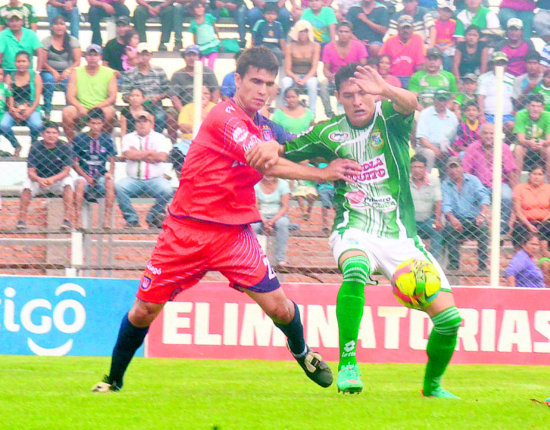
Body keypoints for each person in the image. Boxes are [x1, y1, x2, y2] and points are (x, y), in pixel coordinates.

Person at [91, 46, 361, 393]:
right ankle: (113, 380)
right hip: (186, 230)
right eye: (255, 81)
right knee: (144, 310)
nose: (262, 90)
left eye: (268, 84)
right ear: (237, 80)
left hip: (234, 235)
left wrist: (343, 149)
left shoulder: (267, 127)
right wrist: (322, 175)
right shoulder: (224, 117)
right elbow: (265, 162)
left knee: (279, 308)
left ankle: (302, 351)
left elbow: (301, 145)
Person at [260, 63, 462, 397]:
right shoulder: (328, 132)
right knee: (355, 270)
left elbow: (411, 102)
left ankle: (433, 385)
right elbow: (283, 154)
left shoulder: (391, 121)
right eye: (350, 95)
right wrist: (277, 150)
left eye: (364, 93)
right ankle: (349, 363)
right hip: (353, 228)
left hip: (401, 237)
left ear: (374, 94)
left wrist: (383, 86)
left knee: (450, 320)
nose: (358, 101)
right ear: (338, 97)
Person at [114, 110, 174, 228]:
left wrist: (138, 154)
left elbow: (162, 157)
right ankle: (132, 219)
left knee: (167, 189)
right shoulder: (128, 137)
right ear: (135, 124)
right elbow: (128, 155)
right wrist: (150, 153)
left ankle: (152, 216)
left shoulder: (159, 138)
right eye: (138, 121)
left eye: (145, 121)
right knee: (119, 187)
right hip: (133, 179)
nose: (142, 124)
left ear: (151, 124)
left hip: (154, 179)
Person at [462, 122, 518, 234]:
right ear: (480, 134)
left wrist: (515, 193)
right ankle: (477, 229)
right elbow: (466, 172)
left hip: (500, 183)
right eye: (485, 133)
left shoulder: (504, 148)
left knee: (506, 196)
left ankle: (502, 230)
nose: (489, 136)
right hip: (479, 184)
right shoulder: (472, 148)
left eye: (492, 133)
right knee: (473, 196)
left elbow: (511, 172)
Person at [16, 122, 74, 230]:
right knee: (26, 186)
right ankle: (22, 220)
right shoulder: (35, 147)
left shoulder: (65, 147)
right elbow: (31, 171)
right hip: (39, 180)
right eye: (48, 132)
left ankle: (67, 219)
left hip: (57, 180)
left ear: (58, 135)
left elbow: (66, 171)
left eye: (54, 133)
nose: (51, 135)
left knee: (68, 183)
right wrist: (39, 179)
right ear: (42, 134)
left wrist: (53, 179)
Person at [442, 156, 490, 271]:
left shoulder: (473, 180)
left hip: (474, 220)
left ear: (462, 168)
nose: (453, 171)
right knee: (449, 228)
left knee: (484, 227)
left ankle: (483, 265)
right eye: (450, 168)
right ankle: (454, 264)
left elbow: (484, 197)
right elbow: (446, 205)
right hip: (457, 220)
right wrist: (452, 218)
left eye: (456, 167)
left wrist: (482, 215)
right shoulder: (445, 184)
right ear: (447, 170)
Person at [120, 43, 176, 141]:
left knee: (159, 117)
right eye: (141, 54)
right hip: (136, 107)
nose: (144, 57)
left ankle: (154, 142)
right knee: (132, 117)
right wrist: (136, 99)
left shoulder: (159, 71)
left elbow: (168, 90)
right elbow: (124, 95)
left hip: (155, 106)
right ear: (137, 55)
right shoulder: (130, 74)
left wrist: (157, 97)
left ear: (151, 56)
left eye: (146, 54)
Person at [72, 108, 117, 230]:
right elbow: (74, 163)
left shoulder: (107, 139)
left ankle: (106, 220)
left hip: (100, 176)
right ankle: (78, 220)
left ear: (103, 123)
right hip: (84, 175)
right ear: (88, 123)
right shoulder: (79, 139)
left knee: (110, 183)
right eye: (93, 123)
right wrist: (86, 177)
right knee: (80, 183)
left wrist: (110, 173)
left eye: (98, 123)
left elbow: (112, 160)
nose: (96, 126)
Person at [62, 44, 117, 143]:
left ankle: (102, 143)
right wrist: (80, 107)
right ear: (85, 57)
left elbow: (112, 97)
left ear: (100, 57)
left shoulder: (109, 72)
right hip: (81, 108)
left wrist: (98, 108)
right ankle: (73, 145)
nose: (92, 58)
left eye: (95, 55)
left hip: (100, 108)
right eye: (90, 55)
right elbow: (70, 96)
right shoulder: (76, 72)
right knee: (67, 112)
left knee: (110, 112)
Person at [320, 20, 368, 118]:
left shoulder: (359, 46)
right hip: (335, 79)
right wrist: (330, 76)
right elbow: (325, 69)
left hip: (354, 78)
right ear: (337, 32)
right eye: (341, 31)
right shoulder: (328, 47)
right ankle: (330, 114)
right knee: (323, 85)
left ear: (351, 33)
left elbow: (363, 66)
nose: (343, 34)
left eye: (346, 32)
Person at [41, 15, 82, 121]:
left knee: (68, 82)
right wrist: (53, 71)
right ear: (52, 27)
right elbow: (42, 61)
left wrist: (68, 70)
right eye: (56, 24)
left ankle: (70, 113)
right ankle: (47, 112)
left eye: (62, 24)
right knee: (49, 81)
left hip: (68, 72)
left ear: (65, 27)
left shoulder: (72, 41)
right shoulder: (46, 41)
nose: (59, 27)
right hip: (49, 71)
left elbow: (77, 61)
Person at [0, 51, 43, 151]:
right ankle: (16, 145)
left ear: (29, 63)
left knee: (36, 125)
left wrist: (29, 110)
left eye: (24, 61)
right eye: (19, 61)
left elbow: (37, 99)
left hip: (31, 108)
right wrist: (12, 109)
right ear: (15, 63)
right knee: (3, 125)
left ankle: (34, 146)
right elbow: (8, 95)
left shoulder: (35, 76)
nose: (21, 64)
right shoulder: (10, 76)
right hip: (14, 108)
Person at [280, 20, 320, 116]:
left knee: (312, 83)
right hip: (294, 76)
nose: (303, 34)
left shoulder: (316, 46)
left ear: (309, 32)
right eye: (301, 31)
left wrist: (305, 79)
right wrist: (296, 78)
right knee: (285, 82)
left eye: (305, 31)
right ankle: (285, 110)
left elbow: (314, 67)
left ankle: (312, 114)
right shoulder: (290, 46)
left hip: (309, 76)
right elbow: (287, 69)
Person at [415, 89, 459, 175]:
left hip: (446, 148)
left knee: (456, 157)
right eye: (439, 100)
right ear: (434, 100)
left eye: (444, 100)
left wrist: (451, 149)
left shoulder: (452, 116)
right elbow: (422, 139)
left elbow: (455, 140)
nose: (442, 103)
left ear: (448, 101)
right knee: (430, 153)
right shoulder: (425, 114)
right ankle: (427, 180)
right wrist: (434, 149)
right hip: (426, 147)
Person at [252, 175, 292, 267]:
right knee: (253, 226)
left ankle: (280, 259)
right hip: (260, 216)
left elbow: (285, 206)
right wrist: (264, 220)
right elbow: (255, 206)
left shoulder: (283, 184)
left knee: (283, 223)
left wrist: (273, 220)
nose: (268, 175)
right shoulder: (256, 185)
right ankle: (253, 257)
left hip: (278, 216)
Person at [410, 154, 443, 260]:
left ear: (425, 169)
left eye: (420, 167)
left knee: (438, 230)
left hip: (427, 221)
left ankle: (433, 262)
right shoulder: (405, 181)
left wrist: (437, 220)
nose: (416, 170)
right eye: (414, 167)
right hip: (410, 222)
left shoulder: (433, 180)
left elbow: (438, 201)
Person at [379, 15, 426, 88]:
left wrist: (418, 81)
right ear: (398, 29)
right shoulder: (390, 41)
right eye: (403, 28)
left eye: (408, 28)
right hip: (393, 76)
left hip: (410, 77)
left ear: (413, 29)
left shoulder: (418, 39)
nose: (405, 31)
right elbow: (381, 61)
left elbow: (420, 64)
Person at [512, 164, 550, 253]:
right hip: (525, 221)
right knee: (519, 227)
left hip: (545, 221)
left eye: (540, 174)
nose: (536, 177)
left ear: (544, 176)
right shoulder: (520, 188)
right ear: (529, 175)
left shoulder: (548, 189)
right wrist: (528, 225)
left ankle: (545, 254)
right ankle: (521, 256)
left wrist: (545, 221)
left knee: (547, 226)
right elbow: (517, 211)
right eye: (534, 174)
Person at [170, 44, 220, 109]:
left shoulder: (208, 71)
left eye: (194, 55)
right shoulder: (177, 74)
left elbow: (216, 91)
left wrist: (211, 109)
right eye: (188, 55)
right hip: (185, 107)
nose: (191, 58)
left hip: (206, 106)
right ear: (184, 57)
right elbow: (174, 97)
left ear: (199, 57)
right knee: (170, 116)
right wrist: (183, 112)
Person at [513, 94, 550, 177]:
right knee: (518, 148)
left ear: (543, 108)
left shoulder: (548, 116)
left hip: (542, 147)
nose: (535, 109)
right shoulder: (520, 114)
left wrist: (542, 143)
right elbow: (520, 139)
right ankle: (516, 183)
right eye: (533, 106)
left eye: (538, 106)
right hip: (526, 146)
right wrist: (529, 142)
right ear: (527, 106)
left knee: (549, 150)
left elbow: (549, 140)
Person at [477, 51, 515, 126]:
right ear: (492, 65)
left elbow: (515, 98)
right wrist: (482, 114)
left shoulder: (512, 79)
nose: (500, 66)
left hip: (507, 115)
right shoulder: (484, 78)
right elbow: (480, 97)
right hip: (489, 115)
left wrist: (515, 110)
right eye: (497, 63)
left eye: (503, 63)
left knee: (511, 125)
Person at [189, 0, 221, 69]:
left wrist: (219, 39)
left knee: (210, 64)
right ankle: (202, 79)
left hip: (212, 45)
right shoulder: (193, 23)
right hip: (201, 47)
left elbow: (215, 29)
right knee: (200, 65)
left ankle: (209, 77)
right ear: (193, 10)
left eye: (201, 7)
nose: (200, 9)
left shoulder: (208, 17)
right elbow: (194, 38)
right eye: (197, 8)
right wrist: (196, 47)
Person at [433, 1, 456, 72]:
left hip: (449, 46)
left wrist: (446, 47)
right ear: (439, 11)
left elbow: (455, 40)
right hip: (435, 45)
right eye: (443, 10)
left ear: (451, 14)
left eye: (448, 11)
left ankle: (447, 73)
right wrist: (439, 47)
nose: (445, 13)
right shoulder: (433, 22)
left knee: (448, 56)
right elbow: (430, 39)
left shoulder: (454, 23)